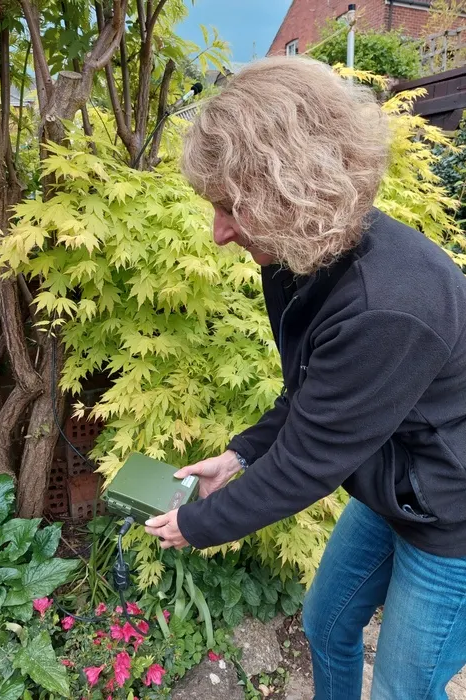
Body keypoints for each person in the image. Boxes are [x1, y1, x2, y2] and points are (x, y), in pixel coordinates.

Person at [144, 56, 466, 699]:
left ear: (292, 189)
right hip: (390, 483)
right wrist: (238, 456)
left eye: (232, 207)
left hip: (454, 512)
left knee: (404, 688)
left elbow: (308, 464)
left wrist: (197, 525)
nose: (218, 232)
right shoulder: (299, 253)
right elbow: (309, 396)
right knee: (326, 627)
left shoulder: (390, 304)